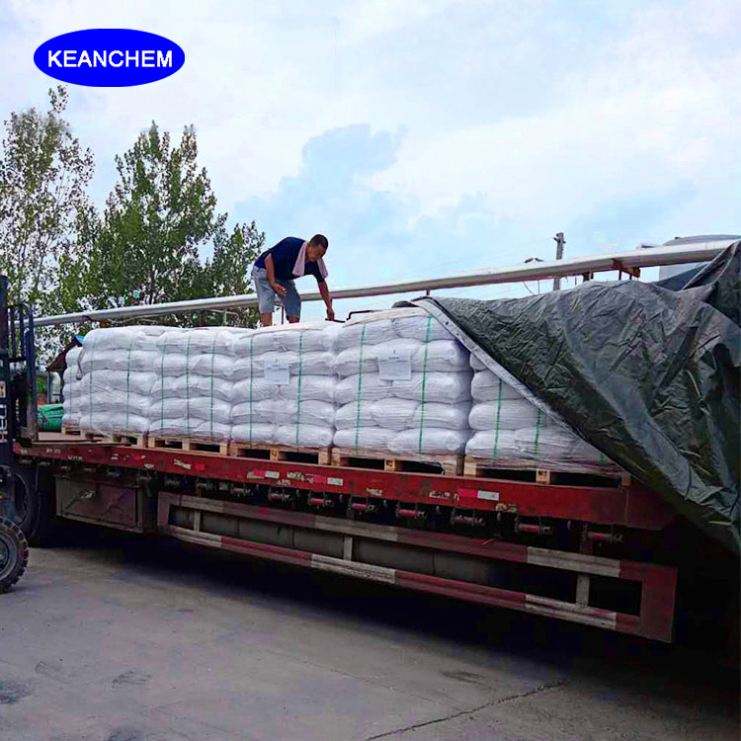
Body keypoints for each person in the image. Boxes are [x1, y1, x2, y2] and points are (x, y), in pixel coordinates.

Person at [251, 234, 334, 326]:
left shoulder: (316, 263)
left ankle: (293, 329)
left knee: (294, 301)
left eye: (321, 255)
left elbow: (322, 284)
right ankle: (267, 329)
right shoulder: (291, 245)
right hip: (264, 268)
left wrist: (329, 308)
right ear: (310, 246)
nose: (318, 257)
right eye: (317, 253)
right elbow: (268, 258)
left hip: (283, 276)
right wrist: (273, 283)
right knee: (267, 299)